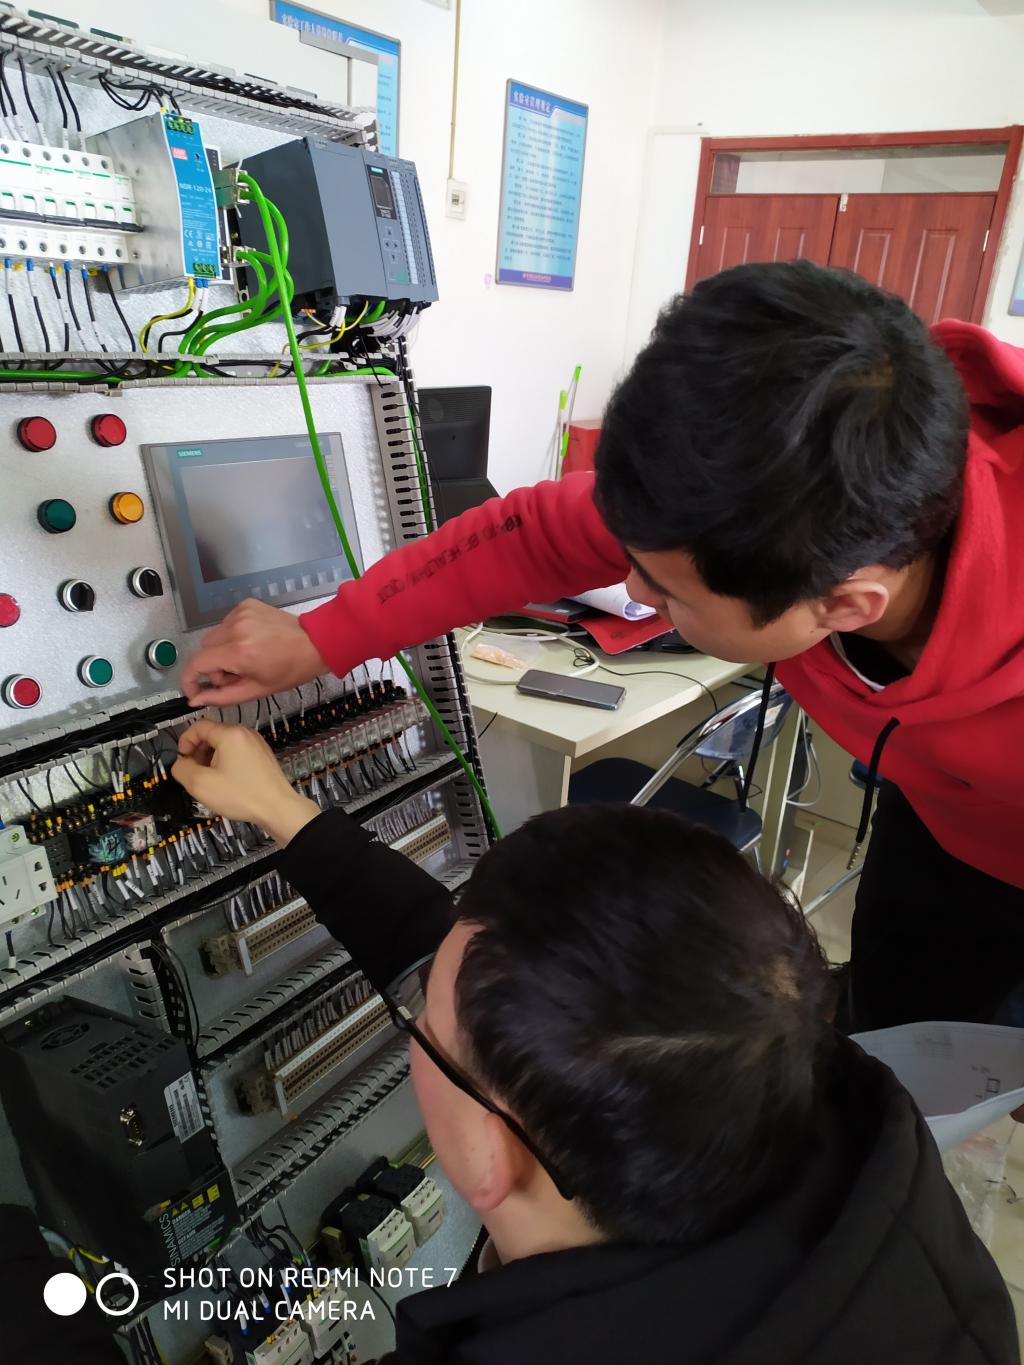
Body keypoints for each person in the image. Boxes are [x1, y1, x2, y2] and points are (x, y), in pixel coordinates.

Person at [180, 261, 1024, 1034]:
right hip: (940, 828)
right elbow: (535, 536)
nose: (633, 592)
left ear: (842, 604)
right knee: (899, 1028)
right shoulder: (779, 492)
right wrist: (322, 636)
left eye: (667, 592)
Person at [3, 722, 1017, 1362]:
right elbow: (472, 962)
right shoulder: (817, 1102)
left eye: (422, 1021)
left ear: (494, 1154)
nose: (422, 990)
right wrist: (282, 811)